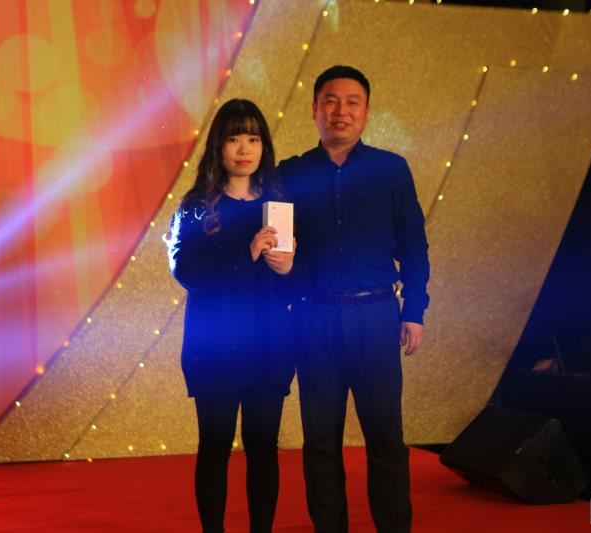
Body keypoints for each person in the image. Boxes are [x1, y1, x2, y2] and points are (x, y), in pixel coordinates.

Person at [279, 65, 430, 532]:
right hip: (313, 320)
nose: (340, 111)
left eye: (352, 102)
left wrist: (414, 310)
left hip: (376, 316)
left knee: (386, 438)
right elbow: (279, 254)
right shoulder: (290, 173)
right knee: (320, 443)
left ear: (366, 111)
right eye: (330, 101)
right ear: (315, 109)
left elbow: (414, 244)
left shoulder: (391, 170)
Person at [166, 98, 295, 533]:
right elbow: (187, 271)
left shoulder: (280, 205)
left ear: (264, 146)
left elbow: (296, 282)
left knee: (264, 449)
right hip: (215, 348)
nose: (244, 148)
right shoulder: (197, 206)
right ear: (217, 146)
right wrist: (247, 252)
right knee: (215, 446)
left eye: (253, 139)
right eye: (234, 138)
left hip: (269, 345)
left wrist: (289, 269)